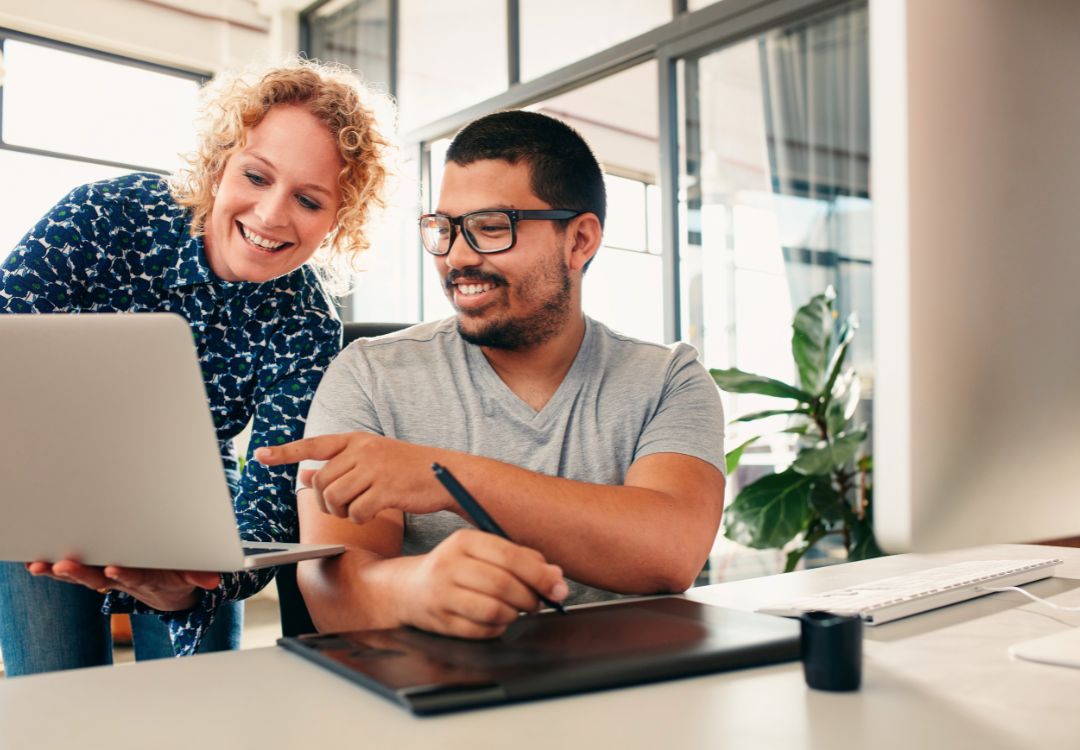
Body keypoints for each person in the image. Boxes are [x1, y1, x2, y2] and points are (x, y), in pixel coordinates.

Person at [255, 110, 726, 639]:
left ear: (580, 241)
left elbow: (670, 551)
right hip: (431, 699)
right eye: (444, 229)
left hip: (629, 693)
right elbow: (330, 593)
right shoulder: (368, 373)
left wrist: (447, 478)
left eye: (491, 228)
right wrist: (415, 589)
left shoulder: (669, 379)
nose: (457, 256)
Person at [0, 59, 393, 674]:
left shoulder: (308, 325)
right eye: (256, 176)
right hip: (48, 490)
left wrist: (199, 580)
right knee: (53, 698)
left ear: (338, 222)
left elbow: (270, 497)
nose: (270, 215)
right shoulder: (105, 217)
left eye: (309, 200)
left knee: (197, 704)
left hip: (186, 510)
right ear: (219, 164)